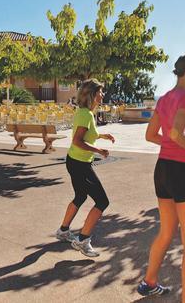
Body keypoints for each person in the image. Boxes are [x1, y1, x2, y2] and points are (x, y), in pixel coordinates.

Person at [139, 54, 185, 300]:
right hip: (182, 170)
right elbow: (176, 133)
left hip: (162, 169)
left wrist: (174, 144)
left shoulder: (164, 98)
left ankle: (149, 281)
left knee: (166, 232)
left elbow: (152, 135)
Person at [56, 79, 115, 258]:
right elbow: (77, 140)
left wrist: (103, 135)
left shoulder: (86, 112)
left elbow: (89, 133)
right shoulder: (85, 114)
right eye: (100, 92)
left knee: (81, 196)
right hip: (79, 163)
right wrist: (99, 150)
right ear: (91, 94)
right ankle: (82, 240)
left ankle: (63, 231)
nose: (102, 95)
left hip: (76, 161)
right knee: (102, 201)